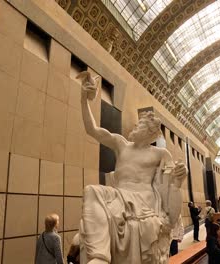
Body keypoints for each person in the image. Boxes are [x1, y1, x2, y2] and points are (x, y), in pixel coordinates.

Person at [77, 71, 188, 264]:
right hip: (119, 196)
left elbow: (172, 187)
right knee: (91, 191)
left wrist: (180, 176)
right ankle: (99, 257)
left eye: (139, 126)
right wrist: (84, 99)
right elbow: (92, 130)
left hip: (143, 201)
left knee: (102, 200)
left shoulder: (160, 154)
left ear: (151, 133)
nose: (133, 128)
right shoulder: (121, 144)